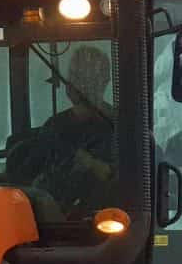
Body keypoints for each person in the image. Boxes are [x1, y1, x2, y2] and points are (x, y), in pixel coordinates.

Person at [7, 44, 117, 217]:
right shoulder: (54, 127)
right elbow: (25, 177)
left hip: (109, 222)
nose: (81, 84)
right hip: (52, 226)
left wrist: (93, 165)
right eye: (76, 77)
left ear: (105, 81)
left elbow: (132, 183)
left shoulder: (123, 128)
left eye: (89, 78)